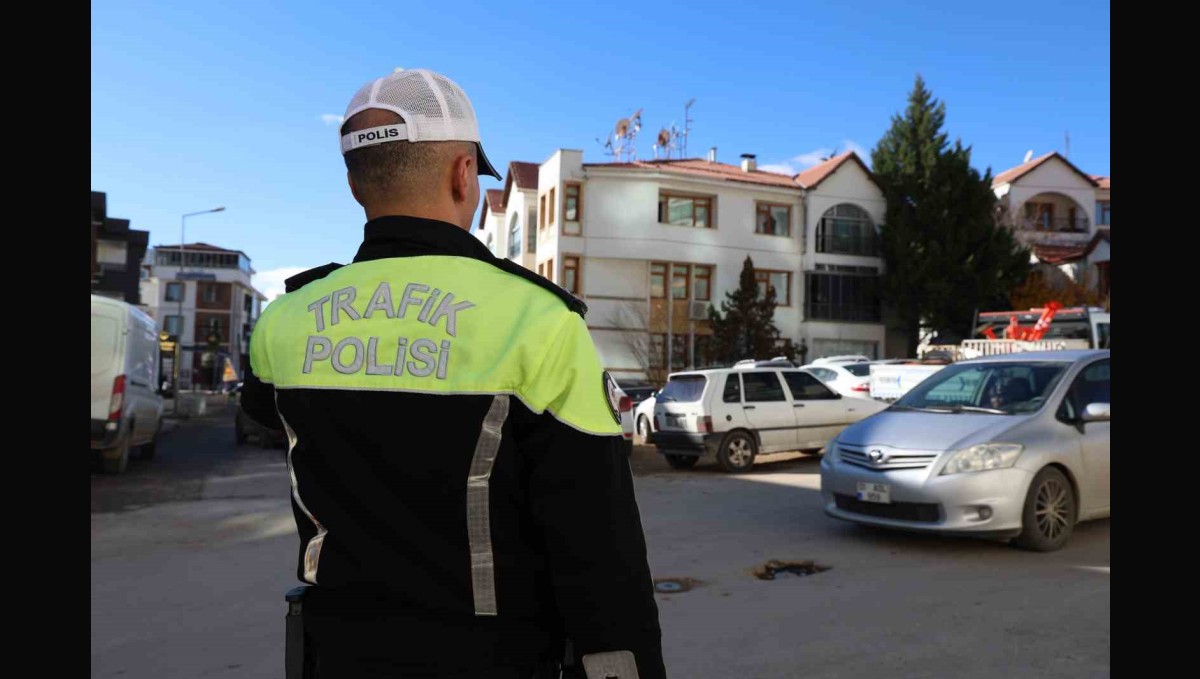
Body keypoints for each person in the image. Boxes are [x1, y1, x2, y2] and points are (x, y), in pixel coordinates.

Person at [240, 68, 665, 679]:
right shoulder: (536, 321)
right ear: (464, 174)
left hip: (334, 657)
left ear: (356, 185)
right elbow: (598, 548)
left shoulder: (285, 320)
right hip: (495, 662)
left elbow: (266, 415)